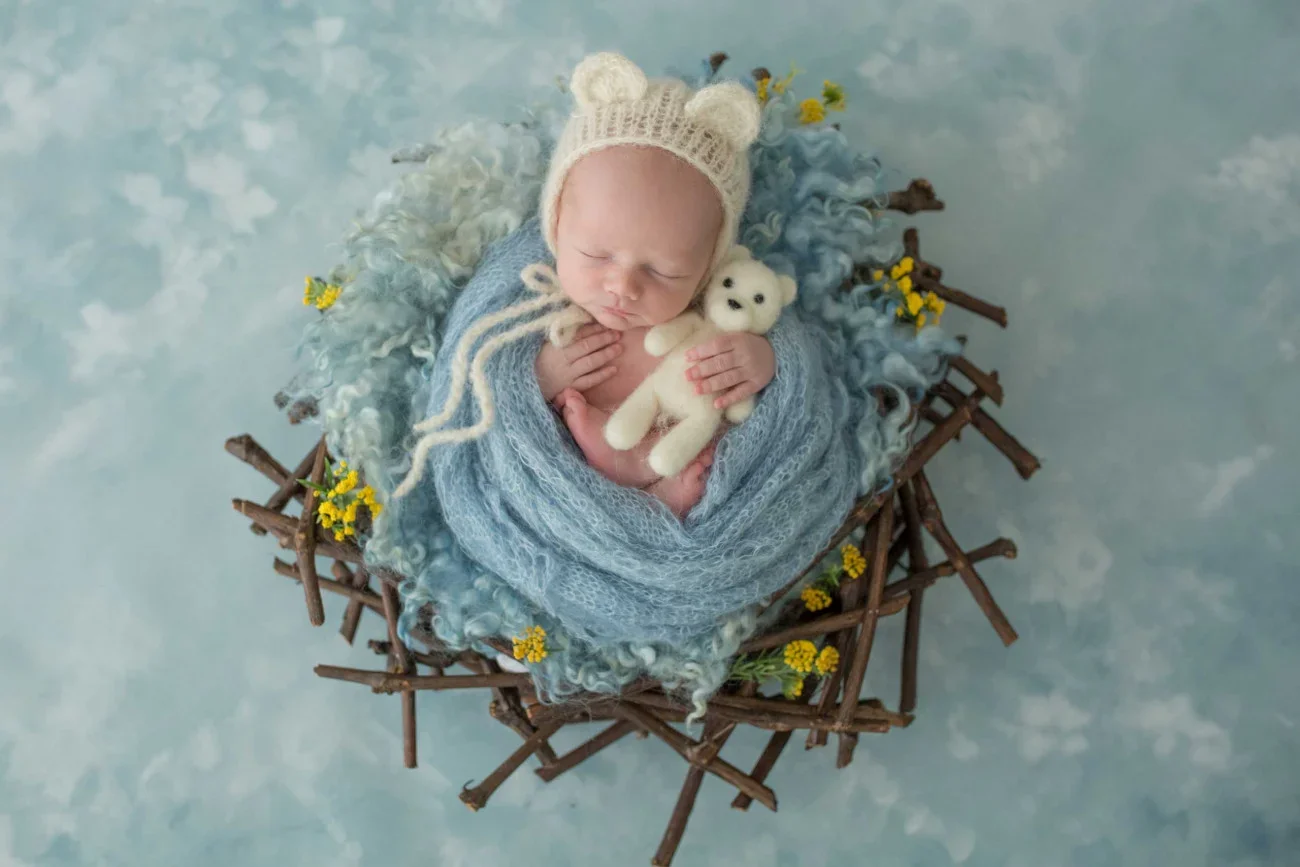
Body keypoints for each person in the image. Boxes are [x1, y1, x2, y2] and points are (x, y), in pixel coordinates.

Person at [531, 52, 775, 516]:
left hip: (677, 445)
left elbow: (769, 335)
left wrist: (758, 361)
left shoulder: (710, 307)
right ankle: (631, 479)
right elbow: (480, 390)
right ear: (556, 226)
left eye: (664, 272)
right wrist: (539, 378)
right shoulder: (535, 305)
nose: (622, 287)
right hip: (567, 494)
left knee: (713, 444)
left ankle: (655, 492)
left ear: (707, 267)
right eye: (596, 255)